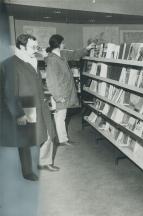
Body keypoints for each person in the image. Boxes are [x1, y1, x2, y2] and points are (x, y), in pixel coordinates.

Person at [0, 34, 58, 181]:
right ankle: (27, 172)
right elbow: (9, 93)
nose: (36, 50)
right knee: (25, 142)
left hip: (41, 104)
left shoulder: (33, 60)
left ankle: (45, 162)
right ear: (21, 47)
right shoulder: (10, 64)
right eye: (33, 47)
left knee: (49, 133)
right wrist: (18, 114)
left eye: (36, 46)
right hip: (25, 107)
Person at [45, 34, 94, 146]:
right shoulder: (52, 59)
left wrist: (87, 48)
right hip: (60, 94)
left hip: (65, 92)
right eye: (63, 43)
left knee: (61, 115)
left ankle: (63, 139)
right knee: (60, 116)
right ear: (58, 44)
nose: (64, 44)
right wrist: (58, 97)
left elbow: (74, 53)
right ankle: (62, 140)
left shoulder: (61, 54)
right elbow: (51, 81)